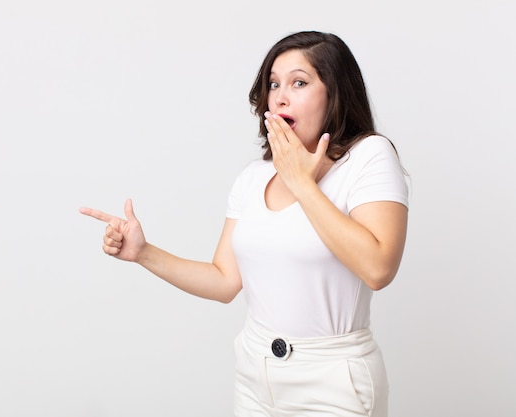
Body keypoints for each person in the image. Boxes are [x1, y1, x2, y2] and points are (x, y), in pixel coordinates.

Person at [80, 30, 409, 417]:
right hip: (255, 374)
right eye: (273, 84)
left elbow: (378, 268)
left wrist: (302, 183)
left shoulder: (369, 157)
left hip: (333, 382)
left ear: (334, 93)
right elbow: (224, 281)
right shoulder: (254, 177)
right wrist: (143, 253)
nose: (281, 95)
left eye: (299, 82)